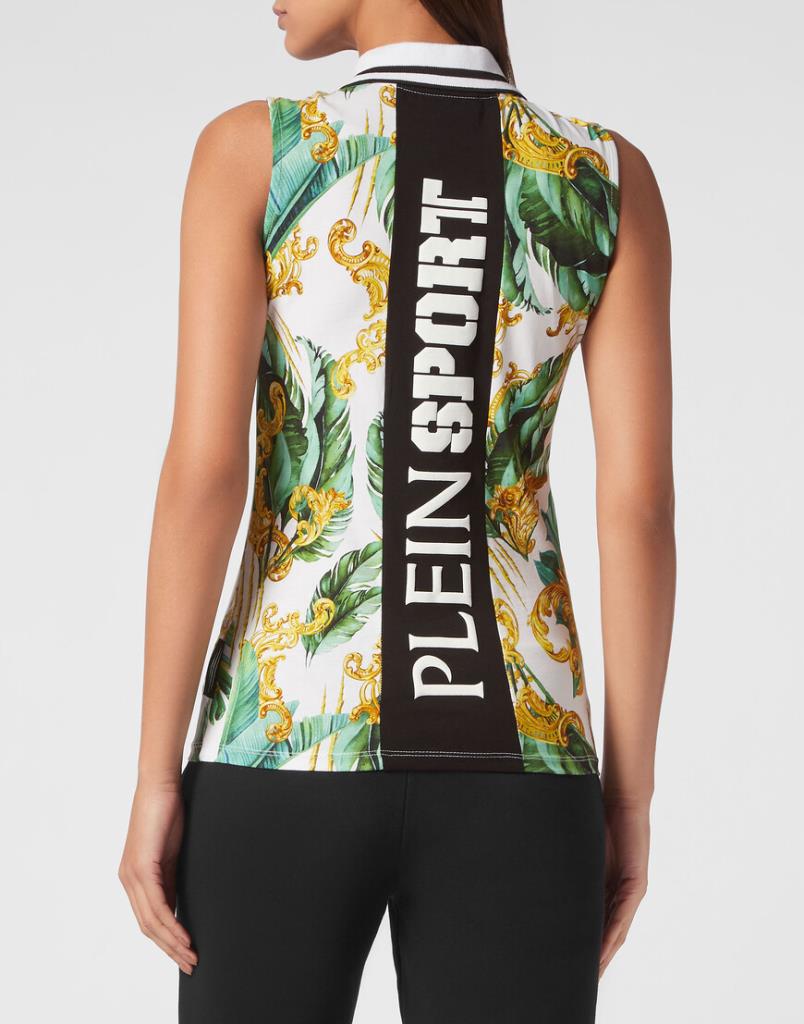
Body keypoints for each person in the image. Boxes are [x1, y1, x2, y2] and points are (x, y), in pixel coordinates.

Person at [118, 1, 675, 1021]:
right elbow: (637, 508)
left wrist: (158, 776)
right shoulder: (603, 174)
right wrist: (628, 798)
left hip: (284, 741)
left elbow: (205, 474)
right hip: (528, 760)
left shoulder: (260, 152)